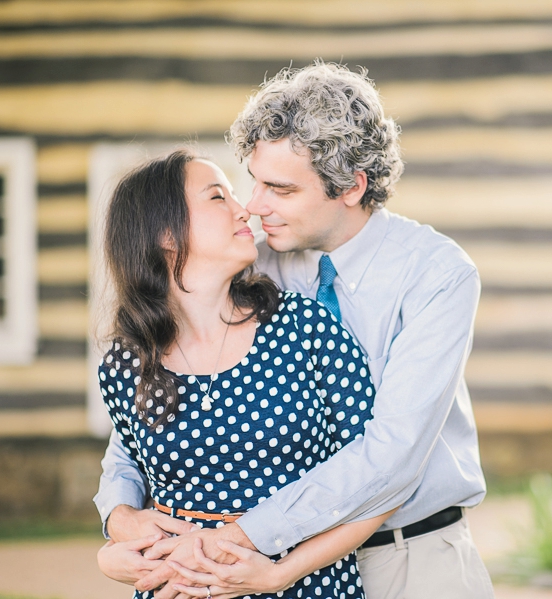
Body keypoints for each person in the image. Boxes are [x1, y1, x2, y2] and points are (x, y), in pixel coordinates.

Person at [95, 62, 495, 599]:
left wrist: (243, 539)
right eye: (253, 182)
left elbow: (392, 456)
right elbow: (147, 417)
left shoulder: (437, 275)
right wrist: (118, 517)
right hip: (270, 565)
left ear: (351, 187)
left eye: (279, 189)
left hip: (409, 557)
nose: (254, 206)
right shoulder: (255, 266)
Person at [96, 148, 396, 599]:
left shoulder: (304, 327)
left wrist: (283, 573)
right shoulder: (126, 365)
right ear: (164, 233)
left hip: (305, 589)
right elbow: (127, 476)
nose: (245, 209)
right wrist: (114, 549)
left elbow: (378, 484)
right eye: (218, 197)